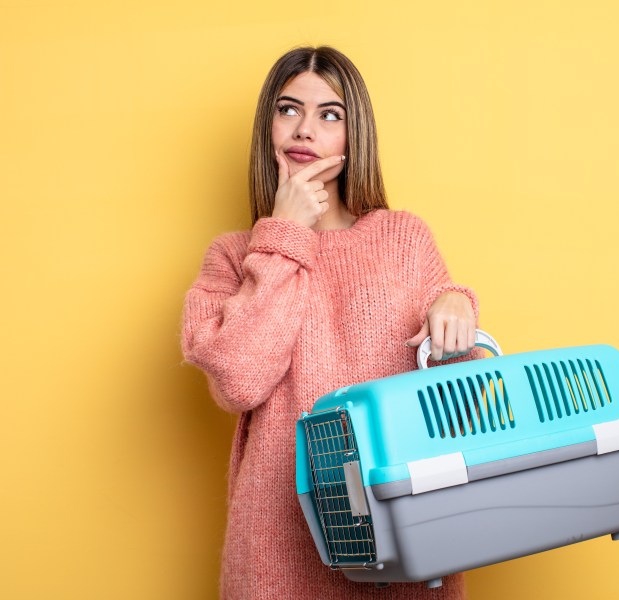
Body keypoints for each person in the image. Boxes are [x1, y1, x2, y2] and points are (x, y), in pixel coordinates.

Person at [181, 45, 481, 600]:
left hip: (403, 538)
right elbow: (240, 379)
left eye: (329, 115)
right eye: (289, 109)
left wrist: (457, 309)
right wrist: (284, 234)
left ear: (353, 133)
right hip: (277, 550)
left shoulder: (403, 238)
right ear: (267, 127)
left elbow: (460, 409)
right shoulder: (232, 256)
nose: (304, 130)